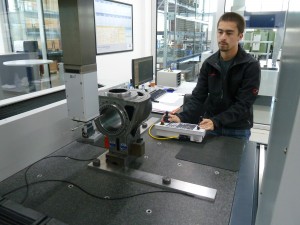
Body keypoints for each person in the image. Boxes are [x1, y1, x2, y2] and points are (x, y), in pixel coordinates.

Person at [166, 12, 261, 140]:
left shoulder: (250, 65)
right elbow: (198, 96)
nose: (223, 37)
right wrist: (182, 117)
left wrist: (216, 121)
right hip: (211, 125)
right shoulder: (209, 63)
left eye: (229, 33)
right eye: (220, 32)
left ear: (240, 36)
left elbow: (243, 104)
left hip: (237, 129)